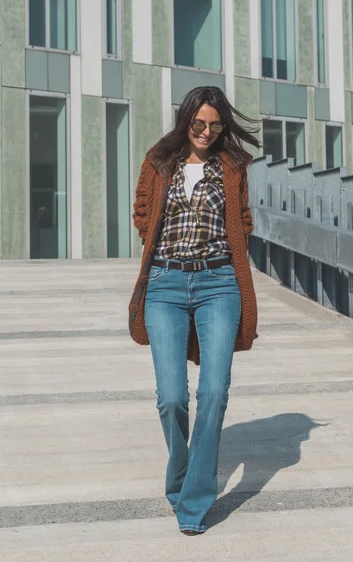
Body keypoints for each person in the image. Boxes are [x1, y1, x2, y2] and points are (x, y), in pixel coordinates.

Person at [128, 86, 260, 535]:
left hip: (219, 283)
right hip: (164, 283)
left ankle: (194, 502)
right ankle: (180, 477)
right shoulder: (158, 161)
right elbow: (142, 211)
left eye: (215, 125)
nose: (206, 132)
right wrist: (159, 241)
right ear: (186, 121)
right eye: (199, 124)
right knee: (172, 398)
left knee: (216, 392)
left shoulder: (233, 167)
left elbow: (243, 220)